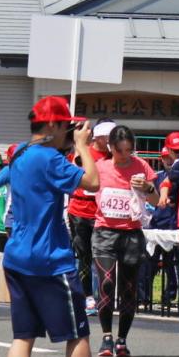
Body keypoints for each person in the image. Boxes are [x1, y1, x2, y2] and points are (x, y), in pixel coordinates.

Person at [0, 95, 126, 357]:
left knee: (23, 336)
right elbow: (93, 183)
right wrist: (84, 146)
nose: (71, 132)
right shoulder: (49, 159)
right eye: (67, 126)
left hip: (17, 255)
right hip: (50, 258)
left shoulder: (20, 154)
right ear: (53, 125)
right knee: (77, 334)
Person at [92, 125, 159, 357]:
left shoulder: (141, 166)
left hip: (131, 232)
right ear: (110, 148)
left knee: (129, 288)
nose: (124, 156)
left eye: (128, 150)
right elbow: (82, 186)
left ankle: (122, 340)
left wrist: (148, 188)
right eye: (119, 150)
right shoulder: (99, 168)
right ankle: (106, 336)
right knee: (107, 283)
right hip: (104, 231)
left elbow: (156, 198)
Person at [67, 119, 111, 313]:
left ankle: (105, 294)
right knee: (84, 255)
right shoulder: (83, 151)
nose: (111, 140)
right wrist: (80, 145)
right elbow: (74, 168)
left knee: (104, 256)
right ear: (98, 136)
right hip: (80, 211)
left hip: (103, 212)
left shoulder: (113, 155)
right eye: (108, 136)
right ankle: (87, 296)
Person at [149, 133, 179, 306]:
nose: (178, 154)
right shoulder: (172, 169)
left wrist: (166, 196)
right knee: (170, 262)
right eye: (176, 151)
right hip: (173, 222)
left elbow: (167, 184)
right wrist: (165, 196)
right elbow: (166, 184)